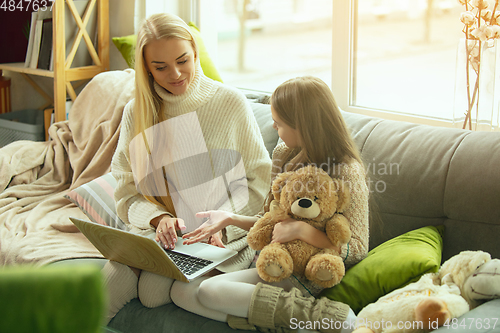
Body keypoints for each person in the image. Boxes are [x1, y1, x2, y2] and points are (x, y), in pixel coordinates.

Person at [104, 13, 272, 323]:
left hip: (218, 237)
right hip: (156, 235)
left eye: (183, 60)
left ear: (195, 52)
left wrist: (222, 222)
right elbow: (126, 191)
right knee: (104, 291)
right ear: (145, 68)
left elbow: (261, 184)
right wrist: (158, 218)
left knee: (153, 295)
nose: (176, 74)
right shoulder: (136, 112)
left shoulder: (230, 103)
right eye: (160, 67)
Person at [172, 76, 370, 333]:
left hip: (305, 274)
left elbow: (357, 247)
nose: (275, 129)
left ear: (303, 126)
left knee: (209, 289)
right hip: (269, 262)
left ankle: (329, 317)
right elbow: (272, 221)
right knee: (180, 291)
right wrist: (230, 218)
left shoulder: (347, 170)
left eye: (279, 124)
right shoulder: (283, 154)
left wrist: (302, 231)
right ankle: (285, 325)